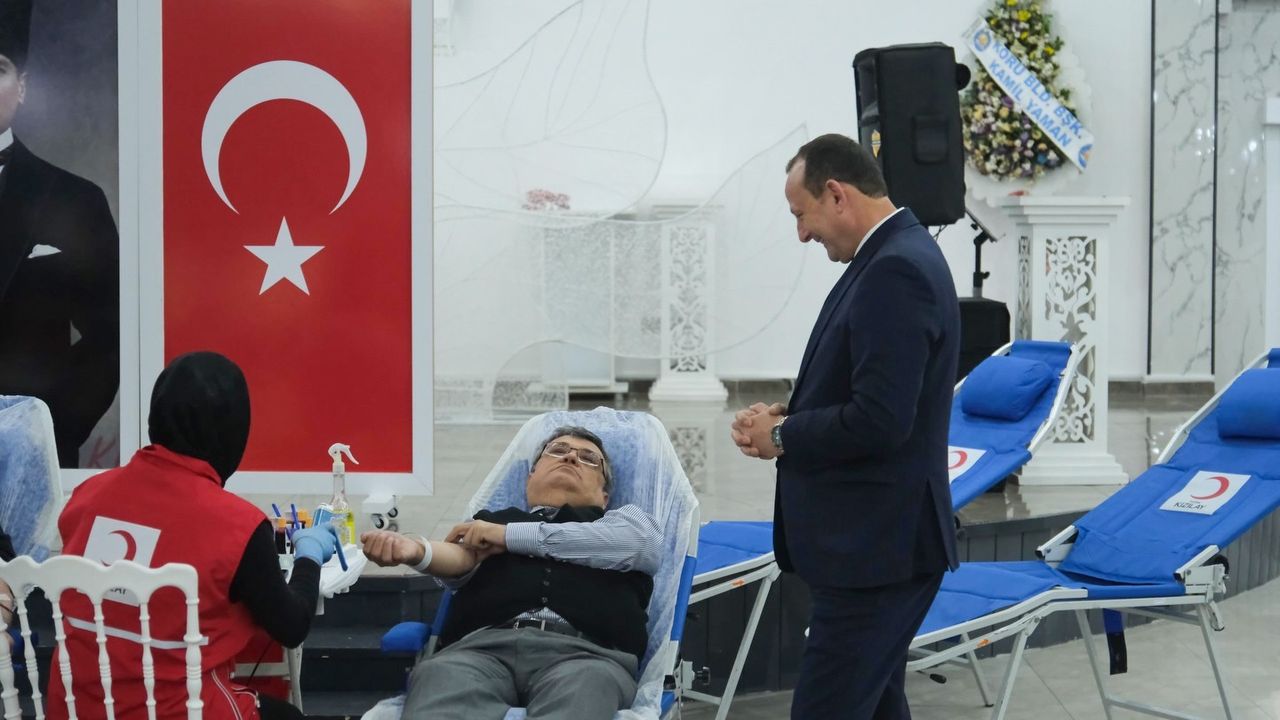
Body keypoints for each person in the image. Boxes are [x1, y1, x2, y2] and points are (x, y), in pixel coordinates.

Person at [730, 133, 960, 719]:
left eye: (800, 215)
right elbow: (867, 388)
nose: (802, 234)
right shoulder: (891, 256)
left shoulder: (896, 269)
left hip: (877, 553)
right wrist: (788, 415)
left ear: (836, 194)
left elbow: (881, 420)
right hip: (877, 548)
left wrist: (782, 437)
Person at [48, 352, 338, 720]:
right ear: (233, 430)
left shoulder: (87, 495)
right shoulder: (238, 525)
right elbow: (291, 626)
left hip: (75, 708)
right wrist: (308, 555)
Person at [362, 426, 662, 720]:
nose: (571, 457)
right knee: (441, 676)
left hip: (588, 657)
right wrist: (416, 550)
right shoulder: (490, 522)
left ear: (604, 496)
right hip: (478, 651)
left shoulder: (625, 525)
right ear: (531, 476)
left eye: (588, 458)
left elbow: (643, 545)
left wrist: (508, 536)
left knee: (584, 689)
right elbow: (461, 556)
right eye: (557, 450)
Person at [0, 0, 120, 468]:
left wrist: (45, 429)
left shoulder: (75, 199)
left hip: (35, 462)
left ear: (23, 87)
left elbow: (111, 337)